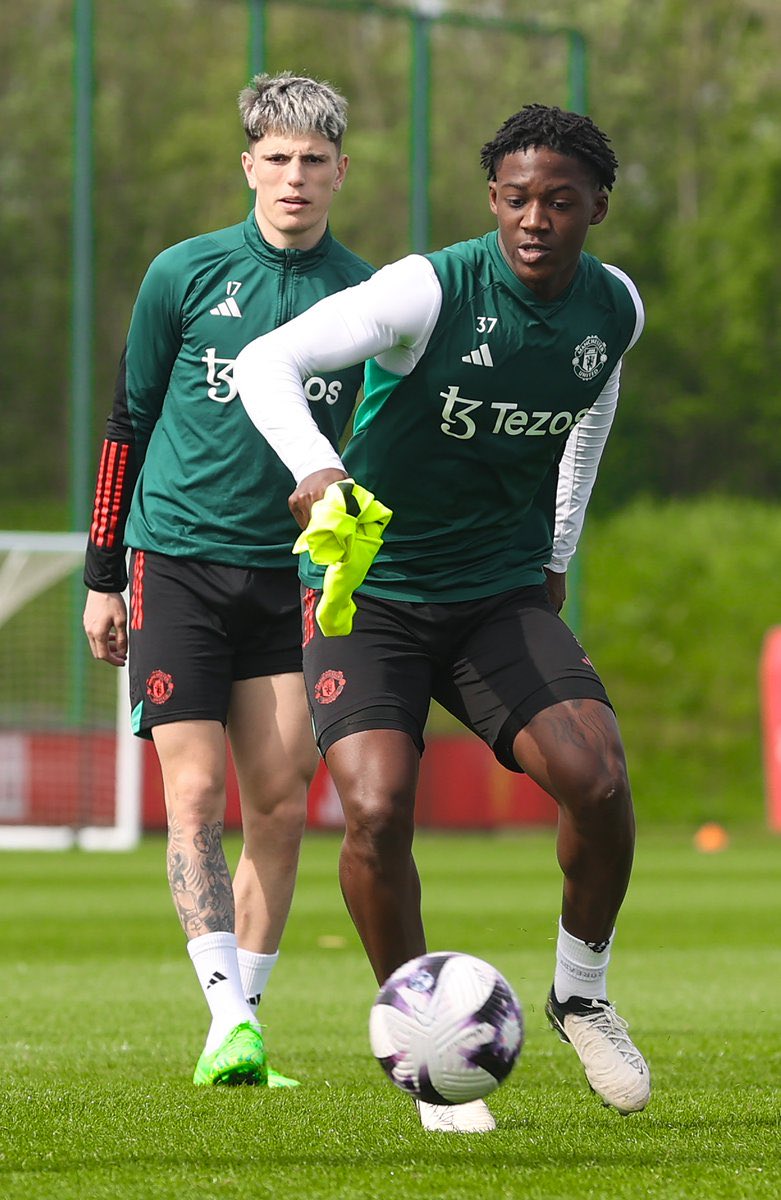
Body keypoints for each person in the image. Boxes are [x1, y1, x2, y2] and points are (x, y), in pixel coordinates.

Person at [234, 102, 649, 1132]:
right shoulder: (428, 289)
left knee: (596, 779)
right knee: (376, 810)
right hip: (368, 595)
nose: (536, 218)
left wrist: (553, 554)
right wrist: (318, 468)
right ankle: (426, 1043)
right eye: (516, 198)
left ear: (596, 206)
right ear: (493, 202)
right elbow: (262, 365)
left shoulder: (615, 308)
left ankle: (581, 993)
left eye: (560, 200)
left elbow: (586, 420)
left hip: (494, 597)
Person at [82, 72, 374, 1087]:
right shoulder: (184, 273)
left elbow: (375, 440)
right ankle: (223, 1019)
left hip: (289, 581)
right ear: (248, 164)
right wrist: (102, 575)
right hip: (176, 565)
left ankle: (244, 1025)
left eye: (314, 161)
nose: (295, 178)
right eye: (278, 158)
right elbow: (127, 425)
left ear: (341, 171)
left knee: (284, 804)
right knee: (195, 793)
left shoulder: (368, 295)